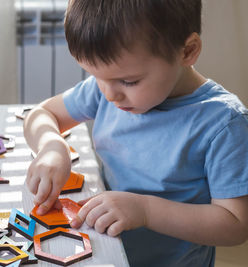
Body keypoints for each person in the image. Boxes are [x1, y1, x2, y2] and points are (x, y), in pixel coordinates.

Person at [23, 0, 248, 266]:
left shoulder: (224, 124)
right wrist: (51, 147)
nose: (109, 94)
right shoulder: (107, 88)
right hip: (105, 253)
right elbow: (41, 115)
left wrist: (146, 211)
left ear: (188, 51)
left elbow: (235, 225)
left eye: (129, 81)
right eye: (95, 76)